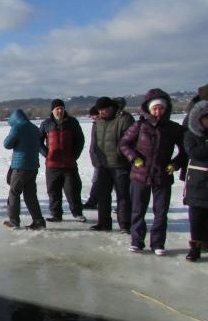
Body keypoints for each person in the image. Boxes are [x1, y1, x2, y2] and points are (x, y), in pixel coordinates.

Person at [119, 88, 187, 255]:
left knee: (161, 212)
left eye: (161, 108)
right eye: (155, 108)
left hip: (162, 175)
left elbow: (185, 150)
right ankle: (137, 241)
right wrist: (134, 158)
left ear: (166, 109)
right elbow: (124, 144)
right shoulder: (139, 125)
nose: (158, 111)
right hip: (139, 174)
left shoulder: (173, 128)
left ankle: (157, 243)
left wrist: (175, 164)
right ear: (149, 109)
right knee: (138, 210)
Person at [89, 96, 134, 233]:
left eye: (104, 109)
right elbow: (94, 144)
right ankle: (104, 223)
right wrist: (95, 160)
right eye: (100, 110)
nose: (102, 112)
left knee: (123, 196)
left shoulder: (123, 119)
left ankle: (125, 225)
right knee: (103, 196)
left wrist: (125, 157)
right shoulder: (98, 123)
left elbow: (131, 140)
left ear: (112, 108)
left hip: (120, 164)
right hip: (103, 165)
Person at [39, 99, 86, 222]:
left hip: (69, 164)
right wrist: (46, 153)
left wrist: (74, 155)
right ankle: (56, 215)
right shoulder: (46, 124)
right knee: (53, 191)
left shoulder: (72, 123)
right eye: (57, 108)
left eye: (62, 108)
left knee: (72, 190)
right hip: (52, 164)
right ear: (52, 110)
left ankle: (77, 213)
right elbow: (38, 142)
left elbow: (80, 140)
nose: (60, 111)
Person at [3, 109, 46, 230]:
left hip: (20, 167)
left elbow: (7, 144)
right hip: (33, 166)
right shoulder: (34, 128)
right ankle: (38, 220)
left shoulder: (17, 128)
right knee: (30, 195)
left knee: (14, 193)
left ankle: (14, 221)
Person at [183, 100, 208, 261]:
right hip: (197, 181)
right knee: (197, 216)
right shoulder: (190, 134)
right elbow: (195, 153)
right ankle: (195, 247)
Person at [83, 106, 100, 209]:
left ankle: (92, 202)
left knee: (97, 180)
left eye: (95, 116)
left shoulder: (102, 125)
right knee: (97, 180)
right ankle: (92, 201)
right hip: (97, 158)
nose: (93, 119)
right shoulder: (96, 125)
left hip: (106, 159)